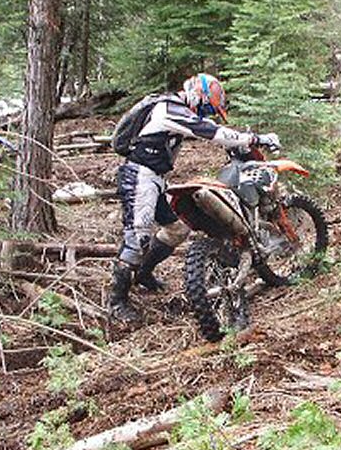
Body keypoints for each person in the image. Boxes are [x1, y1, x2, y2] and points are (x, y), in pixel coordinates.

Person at [108, 72, 281, 323]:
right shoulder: (169, 108)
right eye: (207, 107)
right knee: (138, 238)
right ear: (198, 94)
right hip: (139, 176)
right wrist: (255, 138)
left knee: (177, 230)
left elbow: (207, 130)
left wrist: (238, 145)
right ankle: (116, 302)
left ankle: (144, 274)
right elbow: (209, 131)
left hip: (154, 178)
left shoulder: (178, 111)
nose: (206, 113)